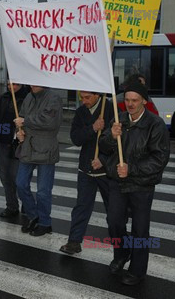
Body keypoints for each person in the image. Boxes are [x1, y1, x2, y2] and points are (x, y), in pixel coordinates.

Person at [99, 82, 170, 286]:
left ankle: (138, 270)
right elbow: (103, 146)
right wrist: (111, 136)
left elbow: (159, 159)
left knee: (140, 229)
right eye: (127, 100)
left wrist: (132, 169)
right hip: (117, 182)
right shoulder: (119, 119)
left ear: (144, 102)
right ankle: (122, 254)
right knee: (114, 223)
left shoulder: (155, 124)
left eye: (134, 100)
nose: (129, 104)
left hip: (141, 185)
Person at [59, 91, 114, 255]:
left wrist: (103, 159)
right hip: (86, 168)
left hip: (106, 171)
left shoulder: (110, 109)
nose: (84, 101)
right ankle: (74, 241)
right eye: (81, 97)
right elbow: (75, 139)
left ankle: (120, 241)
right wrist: (92, 128)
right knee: (82, 207)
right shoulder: (81, 112)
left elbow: (118, 142)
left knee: (114, 209)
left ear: (97, 95)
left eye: (87, 97)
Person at [14, 85, 62, 236]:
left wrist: (25, 121)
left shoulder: (54, 97)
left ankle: (45, 222)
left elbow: (49, 121)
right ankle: (34, 215)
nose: (32, 84)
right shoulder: (29, 97)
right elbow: (19, 118)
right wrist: (19, 132)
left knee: (43, 191)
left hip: (46, 148)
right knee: (20, 184)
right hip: (28, 146)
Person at [0, 83, 29, 218]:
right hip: (3, 143)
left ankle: (27, 206)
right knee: (5, 177)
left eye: (16, 84)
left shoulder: (27, 99)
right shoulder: (4, 98)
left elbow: (31, 119)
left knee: (18, 179)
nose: (12, 87)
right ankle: (11, 206)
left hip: (19, 144)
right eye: (10, 84)